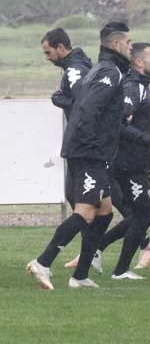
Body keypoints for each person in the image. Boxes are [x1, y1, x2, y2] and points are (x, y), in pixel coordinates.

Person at [26, 22, 132, 290]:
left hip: (93, 151)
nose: (131, 48)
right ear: (117, 45)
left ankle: (81, 275)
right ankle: (43, 262)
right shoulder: (108, 72)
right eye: (129, 44)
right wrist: (91, 147)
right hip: (88, 152)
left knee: (105, 212)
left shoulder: (103, 69)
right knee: (85, 212)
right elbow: (86, 108)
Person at [88, 42, 150, 279]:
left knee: (142, 215)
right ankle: (119, 269)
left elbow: (138, 123)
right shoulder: (133, 88)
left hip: (136, 164)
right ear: (139, 62)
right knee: (144, 215)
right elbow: (119, 125)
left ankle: (101, 249)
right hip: (129, 165)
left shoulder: (141, 87)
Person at [40, 27, 92, 209]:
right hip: (84, 139)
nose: (47, 57)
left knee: (79, 196)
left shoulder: (74, 70)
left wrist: (59, 98)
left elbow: (83, 103)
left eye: (48, 52)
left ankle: (139, 235)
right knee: (79, 196)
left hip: (83, 141)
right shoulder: (75, 66)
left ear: (61, 47)